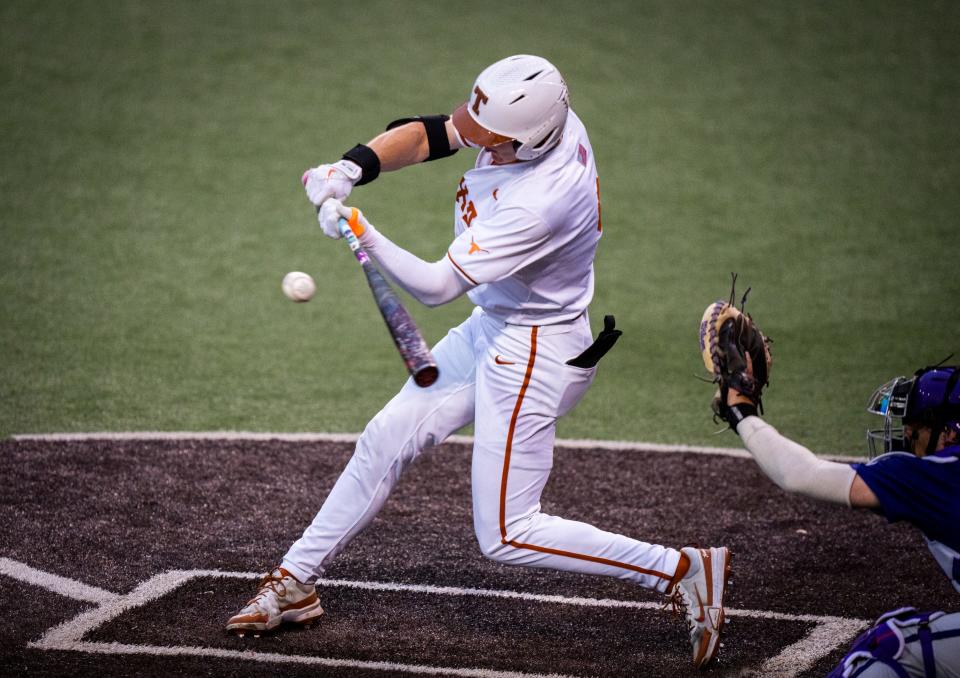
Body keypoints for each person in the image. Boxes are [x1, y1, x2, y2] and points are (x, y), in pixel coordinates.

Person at [226, 54, 730, 668]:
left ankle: (680, 570)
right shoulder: (534, 120)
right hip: (498, 324)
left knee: (509, 534)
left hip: (534, 353)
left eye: (489, 135)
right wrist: (351, 168)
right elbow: (435, 132)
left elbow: (437, 288)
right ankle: (295, 582)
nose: (472, 135)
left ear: (530, 138)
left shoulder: (541, 201)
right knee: (385, 438)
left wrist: (360, 226)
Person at [719, 362, 960, 676]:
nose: (906, 439)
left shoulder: (941, 473)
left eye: (914, 432)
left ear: (949, 433)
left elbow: (801, 474)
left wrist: (740, 411)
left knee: (890, 646)